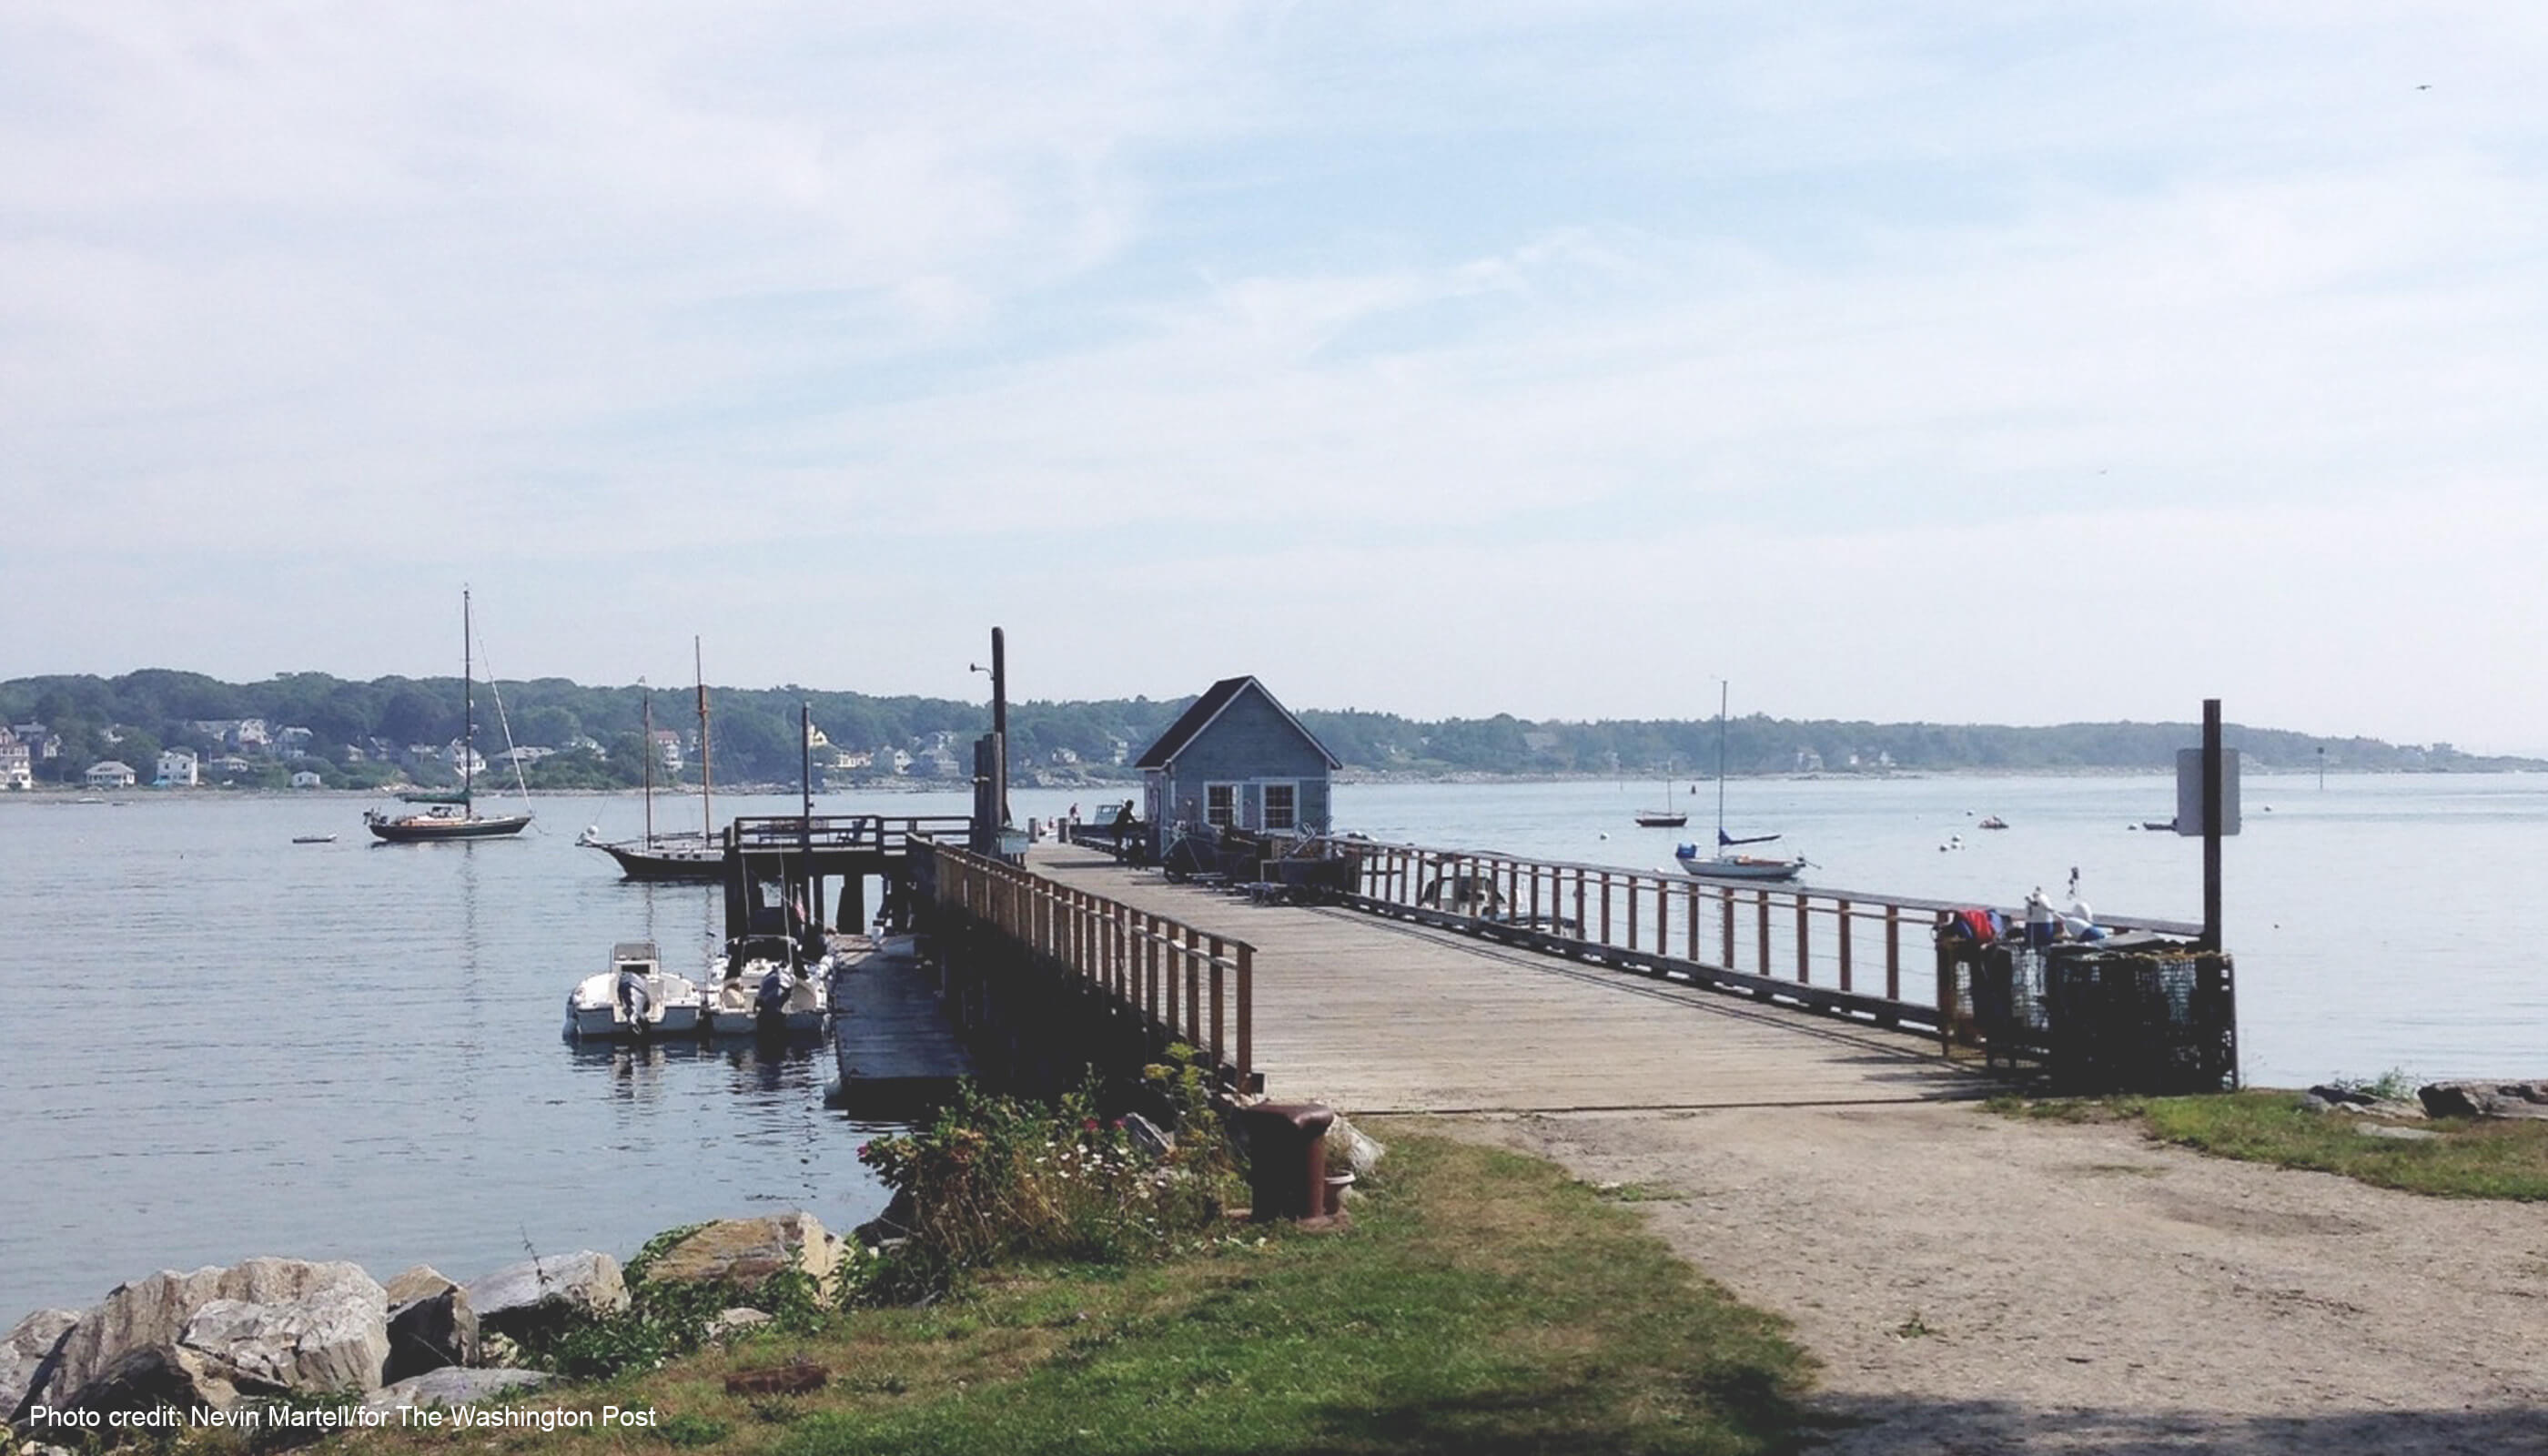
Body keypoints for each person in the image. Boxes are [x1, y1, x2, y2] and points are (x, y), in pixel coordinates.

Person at [2023, 885, 2058, 949]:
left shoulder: (2042, 899)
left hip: (2041, 925)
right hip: (2035, 925)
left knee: (2042, 945)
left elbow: (2048, 908)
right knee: (2036, 944)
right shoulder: (2037, 899)